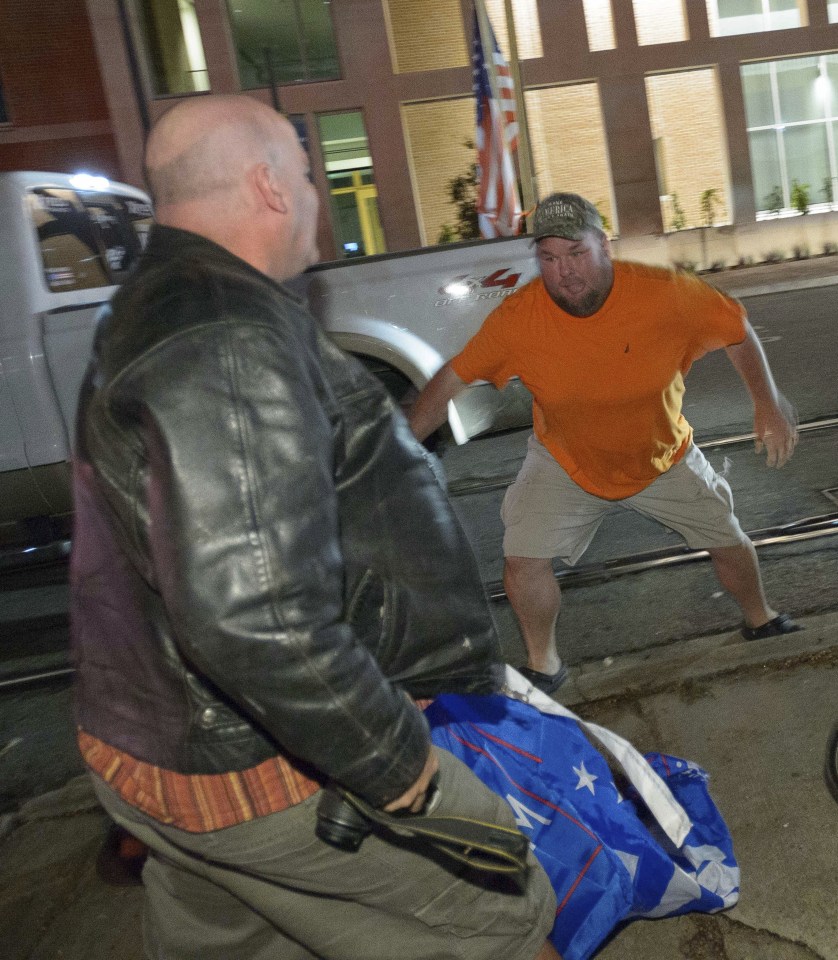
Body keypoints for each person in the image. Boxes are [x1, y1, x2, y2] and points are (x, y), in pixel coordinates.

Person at [70, 94, 560, 960]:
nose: (314, 195)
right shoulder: (226, 334)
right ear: (268, 186)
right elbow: (252, 614)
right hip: (249, 772)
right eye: (306, 174)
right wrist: (403, 770)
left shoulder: (149, 301)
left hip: (141, 746)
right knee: (506, 916)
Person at [409, 192, 801, 695]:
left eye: (576, 253)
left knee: (728, 540)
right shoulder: (518, 319)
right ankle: (543, 664)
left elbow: (736, 327)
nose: (564, 272)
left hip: (661, 454)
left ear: (604, 246)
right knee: (522, 560)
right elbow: (449, 381)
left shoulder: (664, 293)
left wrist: (766, 403)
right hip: (566, 459)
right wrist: (399, 450)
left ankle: (760, 617)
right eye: (549, 258)